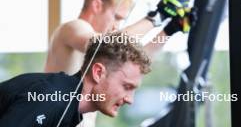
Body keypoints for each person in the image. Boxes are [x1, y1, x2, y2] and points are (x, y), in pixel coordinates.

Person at [44, 0, 196, 126]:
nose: (116, 27)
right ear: (97, 5)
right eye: (116, 17)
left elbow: (135, 66)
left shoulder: (101, 53)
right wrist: (157, 17)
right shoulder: (72, 27)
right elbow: (103, 43)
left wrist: (169, 30)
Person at [0, 32, 151, 127]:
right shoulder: (52, 98)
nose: (130, 99)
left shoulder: (68, 107)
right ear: (98, 72)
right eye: (127, 86)